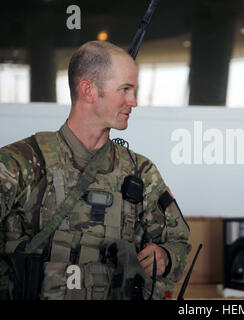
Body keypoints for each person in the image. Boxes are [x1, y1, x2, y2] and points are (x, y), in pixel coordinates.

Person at [0, 41, 191, 300]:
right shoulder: (20, 163)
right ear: (89, 90)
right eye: (124, 89)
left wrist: (165, 257)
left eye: (133, 91)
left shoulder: (141, 172)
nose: (133, 101)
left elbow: (178, 242)